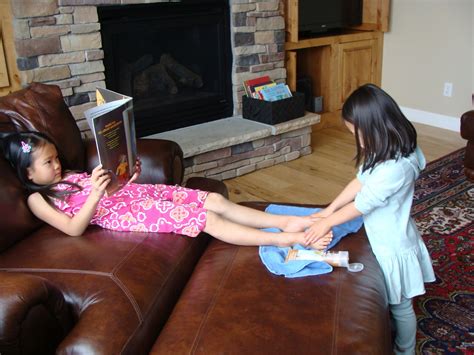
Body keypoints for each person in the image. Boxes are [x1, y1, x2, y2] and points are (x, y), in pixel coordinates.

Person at [1, 131, 333, 250]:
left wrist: (125, 177)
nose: (57, 164)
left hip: (133, 197)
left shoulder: (69, 175)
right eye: (48, 162)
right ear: (28, 172)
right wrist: (95, 195)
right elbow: (73, 228)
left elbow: (109, 188)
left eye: (56, 157)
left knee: (213, 198)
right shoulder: (37, 199)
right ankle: (283, 238)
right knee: (205, 218)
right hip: (127, 216)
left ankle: (287, 221)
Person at [304, 84, 435, 355]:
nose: (358, 141)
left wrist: (326, 224)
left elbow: (363, 204)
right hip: (378, 235)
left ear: (376, 125)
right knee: (387, 302)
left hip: (392, 245)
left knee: (401, 307)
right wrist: (329, 210)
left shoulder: (396, 168)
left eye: (358, 133)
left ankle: (406, 350)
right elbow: (360, 181)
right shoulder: (385, 147)